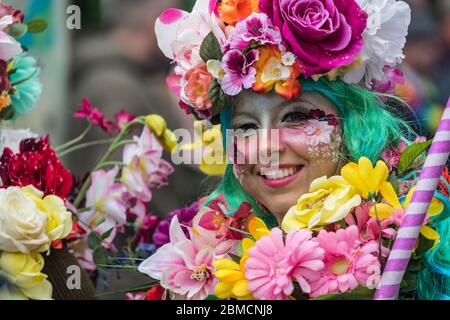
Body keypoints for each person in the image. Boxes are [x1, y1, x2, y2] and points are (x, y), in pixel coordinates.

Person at [137, 0, 450, 300]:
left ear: (352, 124)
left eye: (296, 116)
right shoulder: (207, 258)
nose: (266, 148)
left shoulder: (419, 235)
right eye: (246, 127)